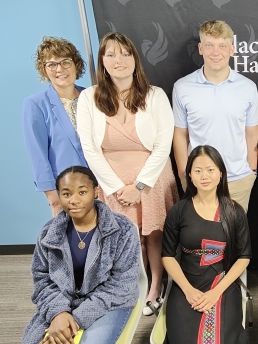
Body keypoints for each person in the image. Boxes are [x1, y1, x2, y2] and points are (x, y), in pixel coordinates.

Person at [18, 166, 140, 344]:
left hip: (109, 304)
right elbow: (42, 279)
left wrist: (75, 318)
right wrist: (58, 313)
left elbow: (122, 284)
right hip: (62, 307)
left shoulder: (122, 230)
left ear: (95, 192)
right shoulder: (49, 233)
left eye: (81, 192)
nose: (73, 200)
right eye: (66, 193)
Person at [77, 32, 178, 315]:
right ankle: (131, 285)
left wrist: (140, 185)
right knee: (126, 237)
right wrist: (115, 187)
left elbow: (163, 145)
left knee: (154, 235)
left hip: (153, 177)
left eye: (125, 53)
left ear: (135, 58)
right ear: (102, 61)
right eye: (111, 54)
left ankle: (156, 286)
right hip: (112, 182)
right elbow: (89, 148)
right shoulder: (89, 98)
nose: (118, 60)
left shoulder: (154, 95)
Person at [160, 145, 250, 344]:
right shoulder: (179, 211)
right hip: (186, 284)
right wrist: (188, 291)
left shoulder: (234, 211)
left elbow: (243, 257)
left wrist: (216, 293)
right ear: (189, 175)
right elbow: (167, 255)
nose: (204, 175)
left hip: (222, 284)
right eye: (197, 170)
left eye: (210, 169)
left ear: (221, 173)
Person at [172, 20, 258, 212]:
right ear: (200, 48)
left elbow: (252, 132)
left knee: (234, 239)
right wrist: (184, 174)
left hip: (238, 179)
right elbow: (180, 134)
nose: (215, 52)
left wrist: (251, 171)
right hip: (199, 180)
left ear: (232, 49)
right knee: (200, 240)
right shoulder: (182, 87)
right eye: (209, 45)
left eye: (222, 46)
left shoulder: (247, 87)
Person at [22, 37, 88, 217]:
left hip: (101, 186)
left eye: (65, 62)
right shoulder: (35, 104)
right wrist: (52, 196)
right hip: (66, 190)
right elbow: (37, 153)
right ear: (44, 70)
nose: (59, 69)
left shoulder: (92, 96)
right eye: (51, 64)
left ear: (76, 64)